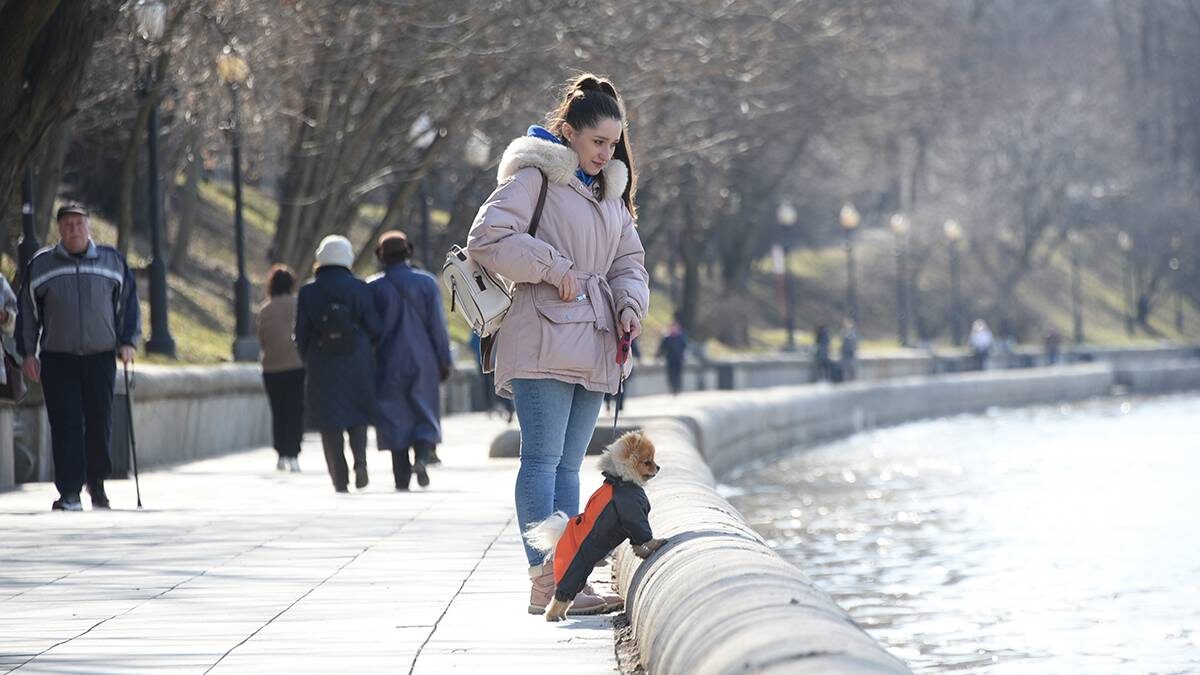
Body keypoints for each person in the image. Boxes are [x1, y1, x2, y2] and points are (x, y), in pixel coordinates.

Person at [467, 73, 649, 616]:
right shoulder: (534, 179)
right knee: (542, 460)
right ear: (568, 133)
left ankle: (569, 576)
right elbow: (488, 240)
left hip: (594, 341)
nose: (607, 152)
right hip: (542, 334)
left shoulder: (610, 195)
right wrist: (552, 267)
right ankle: (542, 578)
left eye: (614, 143)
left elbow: (628, 262)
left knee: (571, 465)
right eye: (598, 142)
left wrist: (630, 304)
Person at [16, 203, 140, 511]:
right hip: (59, 357)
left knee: (100, 422)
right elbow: (28, 314)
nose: (74, 229)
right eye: (68, 224)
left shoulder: (111, 261)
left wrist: (128, 342)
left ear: (89, 227)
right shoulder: (42, 264)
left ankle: (96, 485)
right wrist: (28, 352)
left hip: (100, 356)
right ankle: (69, 491)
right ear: (59, 229)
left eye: (79, 223)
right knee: (66, 422)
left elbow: (128, 304)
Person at [294, 235, 381, 493]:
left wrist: (309, 357)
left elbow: (300, 332)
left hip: (322, 363)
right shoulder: (359, 287)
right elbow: (375, 326)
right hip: (357, 360)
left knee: (329, 421)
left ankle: (339, 477)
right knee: (357, 416)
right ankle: (360, 463)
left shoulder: (308, 291)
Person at [368, 231, 451, 491]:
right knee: (424, 409)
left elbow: (370, 329)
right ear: (409, 252)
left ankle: (401, 478)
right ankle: (423, 457)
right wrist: (444, 359)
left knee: (394, 415)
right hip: (423, 358)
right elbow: (437, 326)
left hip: (388, 360)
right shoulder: (426, 283)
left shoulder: (373, 286)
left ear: (381, 256)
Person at [257, 265, 305, 472]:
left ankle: (281, 453)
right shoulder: (298, 305)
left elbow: (262, 338)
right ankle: (294, 453)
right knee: (295, 409)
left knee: (278, 411)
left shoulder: (265, 309)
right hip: (296, 365)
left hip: (271, 368)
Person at [657, 319, 688, 395]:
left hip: (678, 359)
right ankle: (672, 388)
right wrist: (658, 355)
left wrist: (684, 355)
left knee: (677, 374)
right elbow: (662, 348)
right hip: (670, 359)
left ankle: (677, 388)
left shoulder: (681, 337)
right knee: (670, 374)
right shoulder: (667, 338)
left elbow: (685, 347)